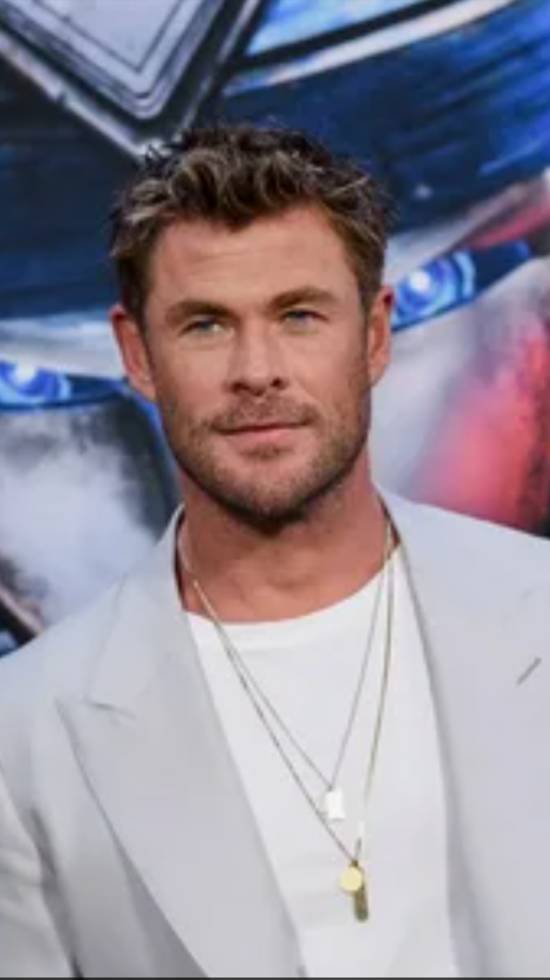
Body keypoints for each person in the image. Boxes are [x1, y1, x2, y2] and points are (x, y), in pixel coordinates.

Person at [0, 124, 548, 979]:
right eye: (206, 325)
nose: (257, 370)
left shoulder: (534, 607)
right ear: (138, 354)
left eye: (299, 315)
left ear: (374, 334)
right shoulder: (25, 730)